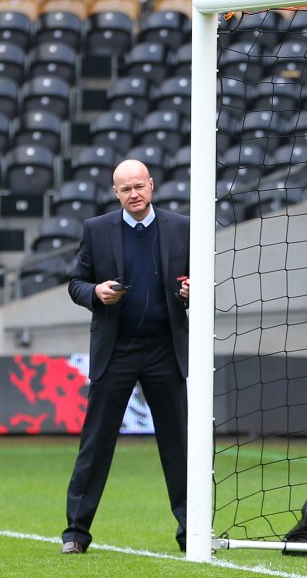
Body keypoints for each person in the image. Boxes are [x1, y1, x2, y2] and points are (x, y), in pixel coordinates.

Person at [61, 159, 191, 555]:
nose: (134, 194)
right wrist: (96, 292)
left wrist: (195, 291)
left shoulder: (182, 227)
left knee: (180, 447)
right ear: (115, 194)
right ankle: (76, 534)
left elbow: (202, 279)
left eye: (139, 186)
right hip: (116, 350)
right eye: (125, 189)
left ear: (151, 185)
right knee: (96, 443)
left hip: (166, 350)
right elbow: (75, 283)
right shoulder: (96, 230)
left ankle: (192, 533)